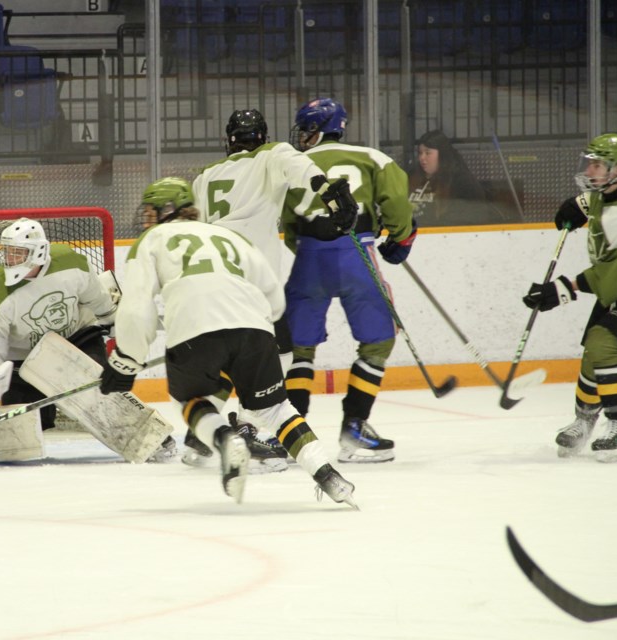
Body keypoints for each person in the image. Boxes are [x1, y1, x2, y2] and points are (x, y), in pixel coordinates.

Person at [98, 177, 357, 507]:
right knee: (276, 409)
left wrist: (125, 361)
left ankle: (224, 440)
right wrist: (281, 350)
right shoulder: (229, 236)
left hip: (193, 332)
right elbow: (274, 297)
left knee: (189, 400)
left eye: (150, 212)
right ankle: (328, 476)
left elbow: (136, 310)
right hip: (255, 329)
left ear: (167, 210)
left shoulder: (152, 240)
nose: (146, 221)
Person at [187, 108, 358, 467]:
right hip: (252, 282)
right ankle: (247, 429)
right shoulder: (272, 154)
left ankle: (199, 436)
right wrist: (332, 195)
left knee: (232, 352)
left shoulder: (205, 177)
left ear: (228, 139)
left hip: (212, 277)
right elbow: (305, 170)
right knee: (275, 354)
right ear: (262, 136)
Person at [0, 217, 176, 461]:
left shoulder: (69, 262)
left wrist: (116, 323)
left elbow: (98, 300)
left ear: (38, 252)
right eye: (8, 253)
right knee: (22, 428)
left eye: (19, 253)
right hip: (25, 359)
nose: (11, 259)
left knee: (99, 393)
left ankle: (152, 437)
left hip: (77, 339)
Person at [282, 97, 416, 464]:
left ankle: (290, 436)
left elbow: (288, 224)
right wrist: (400, 237)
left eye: (307, 128)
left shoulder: (293, 164)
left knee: (297, 349)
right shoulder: (373, 158)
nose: (303, 136)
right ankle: (354, 429)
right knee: (378, 341)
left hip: (309, 256)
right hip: (358, 253)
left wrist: (310, 250)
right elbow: (397, 205)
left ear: (322, 129)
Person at [522, 133, 617, 463]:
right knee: (593, 355)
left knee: (603, 344)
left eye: (597, 164)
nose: (590, 170)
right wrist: (580, 204)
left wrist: (561, 290)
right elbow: (596, 202)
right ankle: (584, 422)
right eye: (590, 162)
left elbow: (610, 280)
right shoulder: (614, 186)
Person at [408, 129, 497, 226]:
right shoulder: (413, 177)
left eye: (427, 153)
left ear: (442, 155)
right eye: (420, 153)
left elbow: (472, 218)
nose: (422, 157)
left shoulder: (462, 183)